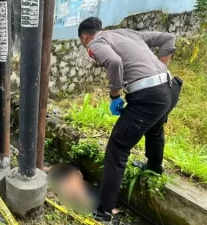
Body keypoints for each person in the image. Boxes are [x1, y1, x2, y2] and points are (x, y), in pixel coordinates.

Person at [77, 17, 182, 222]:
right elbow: (168, 38)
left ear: (84, 37)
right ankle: (154, 166)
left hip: (149, 97)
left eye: (82, 41)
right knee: (155, 128)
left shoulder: (94, 43)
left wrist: (115, 95)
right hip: (170, 88)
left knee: (117, 148)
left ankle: (104, 211)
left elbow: (114, 62)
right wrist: (160, 71)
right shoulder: (126, 33)